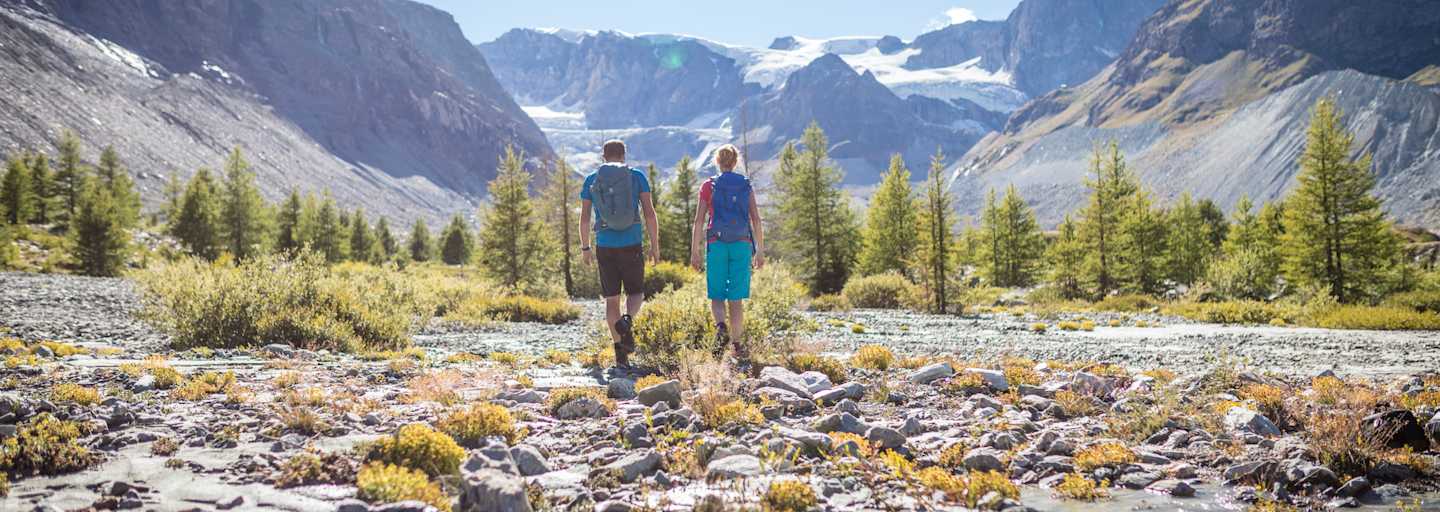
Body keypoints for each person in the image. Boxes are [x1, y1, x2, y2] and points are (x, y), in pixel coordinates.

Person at [580, 140, 660, 372]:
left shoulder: (591, 179)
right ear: (623, 155)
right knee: (636, 292)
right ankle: (627, 321)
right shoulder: (636, 177)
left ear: (603, 156)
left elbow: (585, 218)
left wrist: (585, 247)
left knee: (611, 299)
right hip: (632, 243)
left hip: (604, 245)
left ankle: (620, 355)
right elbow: (649, 214)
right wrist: (655, 245)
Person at [689, 144, 765, 362]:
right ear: (735, 162)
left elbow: (699, 220)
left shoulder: (709, 186)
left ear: (717, 162)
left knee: (717, 294)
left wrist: (695, 251)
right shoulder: (745, 185)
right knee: (736, 298)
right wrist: (759, 251)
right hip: (742, 244)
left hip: (717, 243)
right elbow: (756, 219)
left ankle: (721, 326)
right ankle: (737, 345)